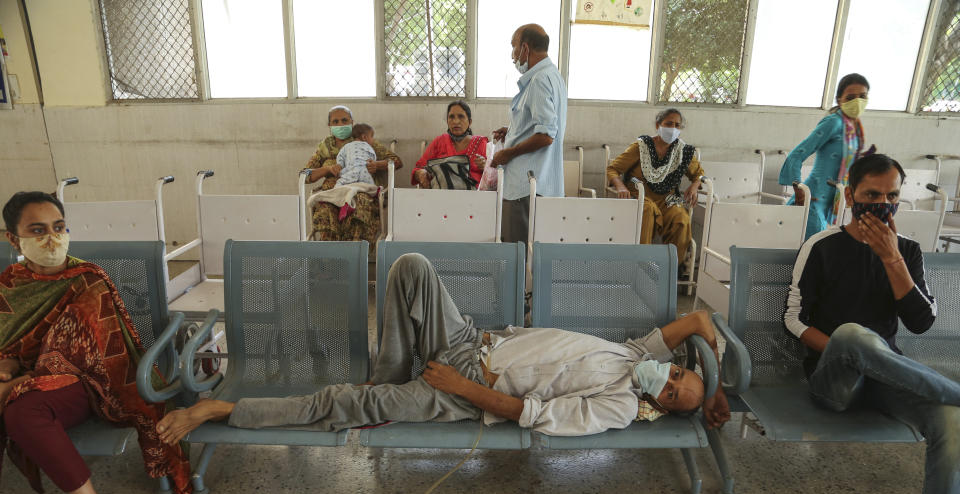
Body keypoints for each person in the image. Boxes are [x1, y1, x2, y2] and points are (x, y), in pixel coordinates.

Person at [156, 253, 731, 445]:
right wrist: (716, 386)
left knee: (358, 407)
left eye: (677, 396)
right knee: (412, 268)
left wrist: (463, 389)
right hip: (469, 342)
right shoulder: (636, 357)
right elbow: (696, 319)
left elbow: (538, 417)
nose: (673, 382)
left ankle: (226, 411)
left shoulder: (621, 405)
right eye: (681, 376)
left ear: (662, 409)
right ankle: (386, 374)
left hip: (466, 396)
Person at [783, 154, 960, 494]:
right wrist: (850, 349)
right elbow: (793, 319)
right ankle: (952, 389)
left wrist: (891, 259)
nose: (881, 206)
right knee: (857, 336)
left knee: (953, 426)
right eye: (871, 197)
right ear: (849, 197)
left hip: (889, 381)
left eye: (891, 198)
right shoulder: (821, 245)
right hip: (834, 377)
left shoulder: (908, 250)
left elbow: (921, 322)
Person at [0, 192, 192, 494]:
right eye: (37, 231)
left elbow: (94, 352)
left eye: (58, 228)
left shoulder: (87, 279)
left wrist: (27, 377)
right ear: (13, 239)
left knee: (24, 410)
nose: (51, 239)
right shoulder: (6, 286)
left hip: (83, 384)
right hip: (20, 380)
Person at [490, 24, 567, 243]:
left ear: (525, 48)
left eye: (514, 47)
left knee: (519, 256)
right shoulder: (553, 76)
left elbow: (546, 135)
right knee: (533, 257)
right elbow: (542, 124)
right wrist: (513, 130)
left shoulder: (539, 81)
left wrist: (508, 153)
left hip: (527, 188)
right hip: (543, 185)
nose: (512, 55)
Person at [780, 73, 874, 240]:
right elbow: (797, 154)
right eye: (851, 97)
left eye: (862, 96)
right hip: (812, 201)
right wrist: (799, 189)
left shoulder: (855, 129)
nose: (857, 101)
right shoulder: (834, 122)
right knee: (804, 255)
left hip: (830, 204)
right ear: (839, 100)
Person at [606, 108, 703, 264]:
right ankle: (641, 265)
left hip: (668, 199)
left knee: (681, 218)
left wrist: (694, 185)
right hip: (641, 196)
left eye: (677, 125)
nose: (673, 129)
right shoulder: (641, 146)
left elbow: (698, 174)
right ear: (658, 125)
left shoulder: (683, 151)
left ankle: (670, 268)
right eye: (669, 124)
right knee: (647, 210)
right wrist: (620, 187)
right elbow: (613, 169)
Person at [304, 106, 402, 258]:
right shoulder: (325, 147)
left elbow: (396, 161)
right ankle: (329, 265)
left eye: (344, 120)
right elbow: (307, 175)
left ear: (352, 122)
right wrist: (328, 169)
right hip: (333, 194)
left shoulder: (362, 140)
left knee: (358, 210)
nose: (340, 124)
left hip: (361, 191)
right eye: (335, 122)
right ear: (329, 126)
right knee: (325, 210)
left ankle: (354, 263)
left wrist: (377, 165)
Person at [412, 101, 488, 190]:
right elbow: (418, 168)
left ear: (469, 122)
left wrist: (486, 167)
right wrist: (422, 173)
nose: (456, 121)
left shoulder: (480, 143)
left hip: (473, 199)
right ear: (447, 121)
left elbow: (495, 176)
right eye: (451, 117)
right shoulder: (439, 141)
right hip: (440, 197)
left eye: (461, 117)